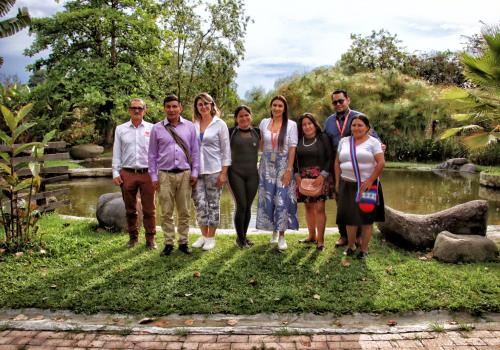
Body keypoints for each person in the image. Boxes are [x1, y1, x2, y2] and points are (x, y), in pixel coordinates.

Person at [324, 89, 383, 248]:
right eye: (335, 102)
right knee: (342, 204)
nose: (338, 104)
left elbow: (374, 139)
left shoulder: (358, 116)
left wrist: (380, 147)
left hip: (362, 170)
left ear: (348, 100)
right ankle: (344, 236)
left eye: (341, 101)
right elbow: (326, 143)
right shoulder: (329, 121)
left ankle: (358, 239)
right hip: (338, 165)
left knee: (362, 206)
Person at [148, 94, 200, 256]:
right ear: (164, 108)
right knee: (166, 212)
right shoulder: (157, 128)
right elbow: (152, 155)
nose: (171, 110)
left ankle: (183, 242)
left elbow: (195, 152)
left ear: (180, 108)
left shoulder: (190, 127)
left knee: (184, 211)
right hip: (164, 175)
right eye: (168, 107)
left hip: (185, 174)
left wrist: (195, 172)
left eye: (174, 106)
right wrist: (154, 177)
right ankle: (168, 243)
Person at [335, 115, 385, 259]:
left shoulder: (373, 142)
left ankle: (364, 249)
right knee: (349, 219)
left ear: (367, 128)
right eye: (354, 125)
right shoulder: (344, 141)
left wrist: (369, 181)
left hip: (367, 186)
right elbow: (337, 162)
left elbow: (381, 163)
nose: (356, 128)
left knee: (366, 220)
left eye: (360, 125)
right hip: (347, 185)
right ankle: (351, 246)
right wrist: (338, 182)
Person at [112, 98, 157, 249]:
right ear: (129, 110)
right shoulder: (120, 129)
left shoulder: (153, 128)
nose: (137, 110)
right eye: (134, 108)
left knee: (149, 209)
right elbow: (116, 152)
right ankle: (133, 238)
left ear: (145, 110)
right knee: (130, 209)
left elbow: (157, 153)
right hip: (127, 173)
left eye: (140, 108)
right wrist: (115, 172)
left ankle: (150, 240)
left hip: (148, 173)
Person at [256, 95, 299, 251]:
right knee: (269, 199)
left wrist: (289, 170)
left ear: (284, 108)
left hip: (283, 164)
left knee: (282, 199)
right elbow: (261, 144)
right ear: (271, 107)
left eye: (280, 106)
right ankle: (273, 231)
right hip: (266, 164)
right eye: (274, 105)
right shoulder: (264, 122)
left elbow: (293, 148)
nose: (277, 108)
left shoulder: (292, 125)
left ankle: (282, 235)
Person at [190, 93, 231, 251]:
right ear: (197, 107)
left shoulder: (220, 124)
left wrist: (223, 173)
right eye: (200, 104)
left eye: (206, 104)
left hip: (214, 170)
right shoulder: (193, 125)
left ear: (212, 105)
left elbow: (226, 151)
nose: (203, 107)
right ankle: (203, 235)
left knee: (213, 204)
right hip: (196, 171)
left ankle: (211, 238)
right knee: (199, 204)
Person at [294, 113, 334, 251]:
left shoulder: (323, 138)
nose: (307, 126)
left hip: (320, 176)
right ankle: (311, 236)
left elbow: (330, 157)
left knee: (320, 208)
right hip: (303, 178)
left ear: (314, 124)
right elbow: (293, 159)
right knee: (308, 207)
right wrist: (296, 174)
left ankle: (321, 241)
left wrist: (323, 175)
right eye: (304, 124)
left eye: (309, 123)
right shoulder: (299, 139)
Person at [227, 105, 260, 248]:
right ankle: (240, 239)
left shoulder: (258, 132)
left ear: (251, 116)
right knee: (241, 205)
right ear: (236, 118)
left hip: (253, 174)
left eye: (247, 115)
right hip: (235, 173)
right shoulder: (230, 133)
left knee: (248, 207)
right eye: (241, 116)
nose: (244, 118)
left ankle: (244, 237)